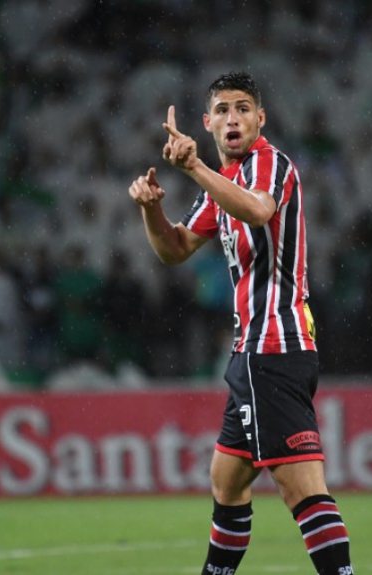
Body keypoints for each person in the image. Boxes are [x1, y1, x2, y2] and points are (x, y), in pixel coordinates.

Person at [129, 72, 353, 575]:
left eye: (244, 108)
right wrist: (152, 210)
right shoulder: (221, 183)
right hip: (252, 351)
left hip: (274, 346)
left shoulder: (269, 164)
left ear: (260, 119)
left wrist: (194, 168)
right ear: (207, 122)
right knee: (227, 480)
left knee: (302, 488)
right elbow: (176, 249)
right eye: (223, 110)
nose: (234, 117)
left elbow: (256, 211)